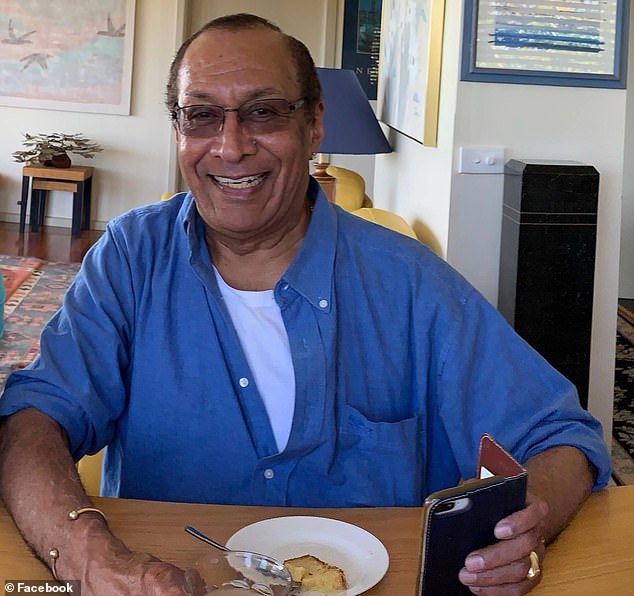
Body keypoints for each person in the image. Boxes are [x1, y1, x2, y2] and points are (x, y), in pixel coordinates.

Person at [0, 13, 610, 595]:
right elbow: (34, 419)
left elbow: (561, 438)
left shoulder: (410, 282)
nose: (231, 147)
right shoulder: (130, 259)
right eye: (202, 116)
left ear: (314, 125)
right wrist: (86, 557)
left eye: (263, 112)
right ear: (179, 131)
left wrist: (527, 527)